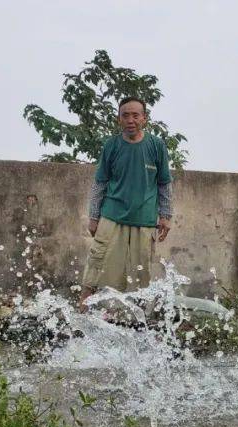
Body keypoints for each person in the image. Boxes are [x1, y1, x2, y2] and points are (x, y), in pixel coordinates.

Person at [79, 96, 173, 312]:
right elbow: (100, 184)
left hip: (145, 219)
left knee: (143, 274)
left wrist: (166, 216)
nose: (130, 120)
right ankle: (84, 308)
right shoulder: (112, 145)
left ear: (144, 119)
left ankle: (142, 320)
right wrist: (94, 217)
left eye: (135, 115)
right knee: (98, 261)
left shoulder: (156, 146)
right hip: (111, 216)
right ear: (118, 119)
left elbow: (164, 184)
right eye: (125, 115)